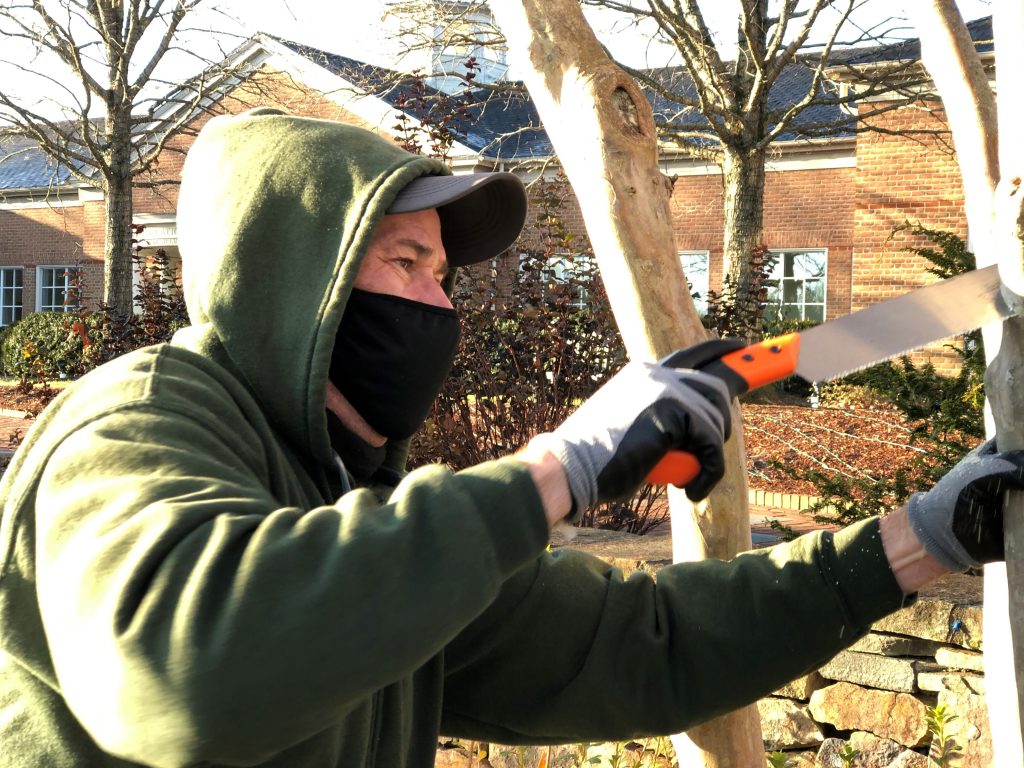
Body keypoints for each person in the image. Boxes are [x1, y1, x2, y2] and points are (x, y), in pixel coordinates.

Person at [0, 107, 1021, 768]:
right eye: (403, 262)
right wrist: (556, 469)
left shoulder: (365, 520)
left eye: (443, 275)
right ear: (286, 278)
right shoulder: (138, 419)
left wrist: (926, 536)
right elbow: (184, 673)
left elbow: (637, 646)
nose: (436, 304)